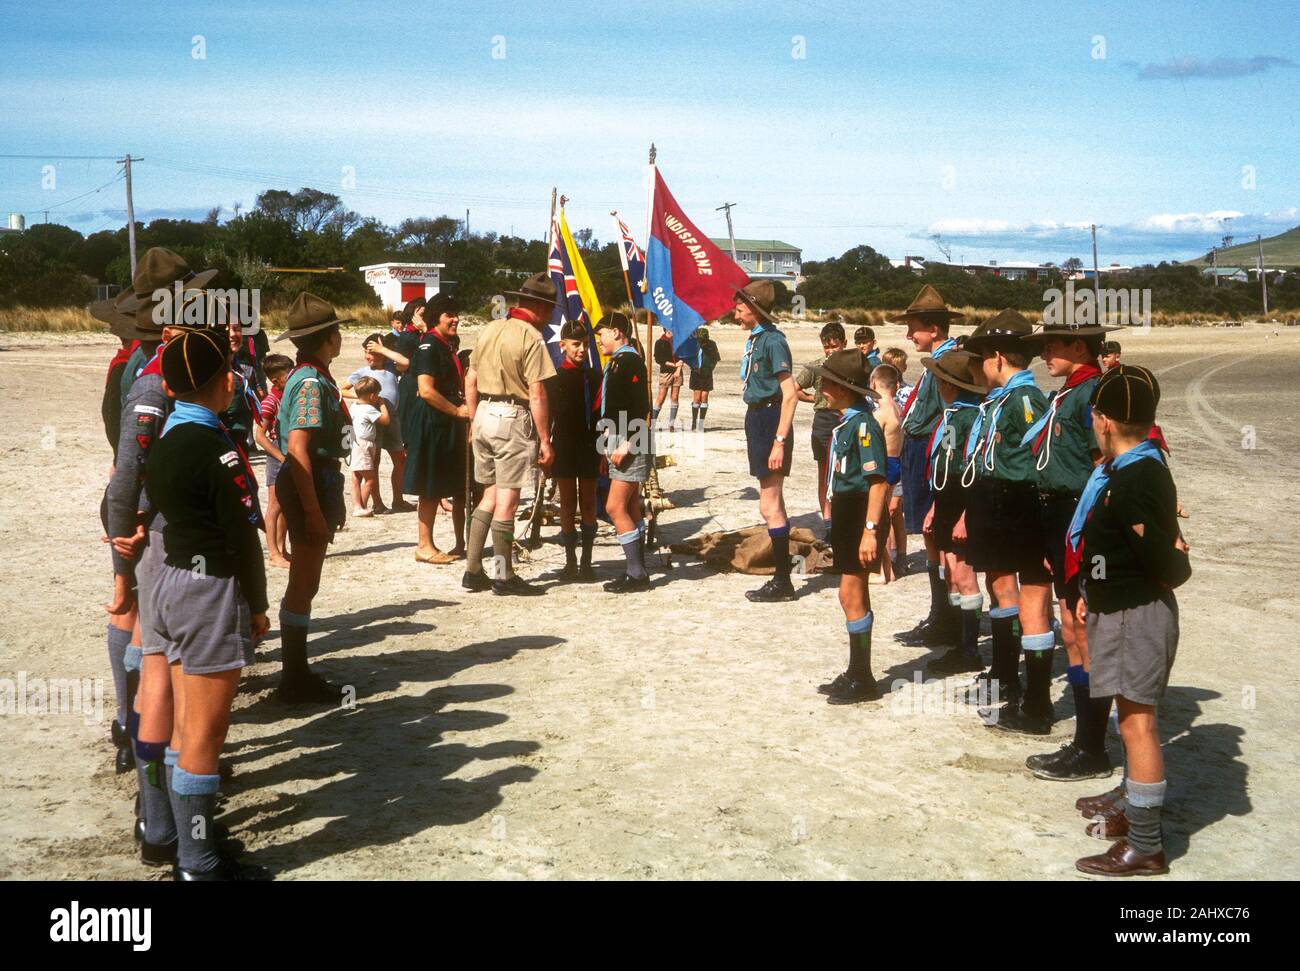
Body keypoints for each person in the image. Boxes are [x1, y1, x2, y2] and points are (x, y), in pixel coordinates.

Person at [144, 327, 269, 881]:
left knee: (180, 730)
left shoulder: (167, 437)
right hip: (209, 586)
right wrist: (259, 603)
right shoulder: (215, 446)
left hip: (169, 581)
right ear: (223, 383)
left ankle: (180, 837)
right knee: (204, 736)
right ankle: (198, 862)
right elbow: (242, 534)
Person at [1071, 365, 1190, 877]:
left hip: (1134, 614)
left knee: (1138, 724)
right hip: (1118, 606)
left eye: (1097, 411)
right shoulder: (1128, 467)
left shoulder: (1137, 476)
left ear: (1105, 421)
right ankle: (1130, 806)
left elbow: (1164, 562)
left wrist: (1175, 561)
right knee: (1128, 715)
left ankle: (1145, 844)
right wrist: (1088, 590)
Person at [1023, 319, 1114, 780]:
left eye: (1052, 345)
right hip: (1058, 516)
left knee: (1083, 628)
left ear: (1080, 346)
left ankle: (1093, 746)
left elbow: (1105, 465)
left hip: (1080, 516)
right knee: (1070, 627)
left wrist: (1086, 535)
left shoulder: (1093, 392)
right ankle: (1084, 740)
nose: (1044, 355)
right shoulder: (1070, 391)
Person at [961, 310, 1054, 731]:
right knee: (1000, 587)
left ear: (997, 357)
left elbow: (1041, 457)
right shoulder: (998, 400)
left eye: (981, 357)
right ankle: (1003, 674)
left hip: (1016, 500)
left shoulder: (1024, 399)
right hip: (992, 497)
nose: (979, 366)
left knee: (1026, 596)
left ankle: (1028, 693)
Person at [273, 292, 353, 703]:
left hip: (318, 480)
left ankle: (296, 671)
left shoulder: (313, 375)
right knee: (303, 581)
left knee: (307, 580)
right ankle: (294, 677)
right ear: (329, 338)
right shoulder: (308, 382)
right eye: (337, 332)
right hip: (309, 480)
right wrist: (312, 510)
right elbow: (299, 449)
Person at [462, 272, 556, 596]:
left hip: (484, 414)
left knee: (487, 495)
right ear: (542, 308)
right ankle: (503, 575)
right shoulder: (532, 337)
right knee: (507, 501)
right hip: (512, 417)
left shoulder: (489, 328)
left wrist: (473, 421)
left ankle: (473, 570)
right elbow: (537, 394)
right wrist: (545, 440)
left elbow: (470, 379)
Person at [809, 350, 889, 704]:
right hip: (847, 510)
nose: (822, 388)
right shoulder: (847, 423)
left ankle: (862, 679)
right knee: (852, 593)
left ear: (844, 388)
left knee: (850, 593)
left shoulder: (864, 425)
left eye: (828, 383)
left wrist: (870, 530)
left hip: (861, 512)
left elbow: (878, 482)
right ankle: (858, 672)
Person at [889, 286, 965, 650]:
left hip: (929, 453)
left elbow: (945, 416)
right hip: (919, 450)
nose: (909, 335)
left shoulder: (947, 363)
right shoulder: (939, 358)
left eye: (914, 328)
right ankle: (940, 613)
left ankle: (946, 617)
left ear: (934, 329)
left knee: (937, 534)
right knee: (931, 536)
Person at [919, 351, 988, 676]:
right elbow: (943, 465)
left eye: (940, 379)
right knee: (950, 570)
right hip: (946, 501)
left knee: (963, 575)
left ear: (950, 385)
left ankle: (970, 649)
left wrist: (965, 516)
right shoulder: (952, 415)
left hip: (963, 502)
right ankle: (960, 640)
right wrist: (935, 506)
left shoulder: (969, 417)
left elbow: (971, 470)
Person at [734, 280, 799, 602]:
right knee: (774, 502)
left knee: (768, 504)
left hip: (771, 420)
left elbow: (790, 396)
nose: (735, 314)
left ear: (754, 308)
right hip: (757, 417)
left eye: (740, 307)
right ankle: (782, 577)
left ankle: (783, 580)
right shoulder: (756, 340)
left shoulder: (773, 342)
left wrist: (779, 441)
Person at [403, 292, 470, 563]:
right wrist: (456, 410)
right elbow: (426, 391)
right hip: (432, 420)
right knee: (429, 484)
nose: (455, 319)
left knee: (440, 481)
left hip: (443, 421)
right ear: (436, 318)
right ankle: (424, 545)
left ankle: (435, 544)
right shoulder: (429, 346)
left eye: (456, 314)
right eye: (448, 315)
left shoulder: (445, 345)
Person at [594, 312, 653, 592]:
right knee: (629, 506)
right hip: (618, 436)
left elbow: (642, 407)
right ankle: (637, 570)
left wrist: (628, 444)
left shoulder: (630, 361)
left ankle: (637, 574)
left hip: (631, 440)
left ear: (617, 332)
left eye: (602, 334)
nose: (599, 341)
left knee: (613, 507)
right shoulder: (618, 362)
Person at [547, 319, 601, 581]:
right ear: (563, 345)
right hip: (564, 448)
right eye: (576, 344)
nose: (581, 349)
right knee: (567, 505)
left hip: (590, 448)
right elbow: (547, 418)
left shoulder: (595, 376)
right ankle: (570, 563)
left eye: (586, 345)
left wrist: (603, 450)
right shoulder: (554, 378)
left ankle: (587, 563)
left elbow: (604, 417)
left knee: (589, 504)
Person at [342, 334, 410, 513]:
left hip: (392, 419)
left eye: (372, 352)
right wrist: (365, 396)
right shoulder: (362, 372)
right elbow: (341, 390)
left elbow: (405, 362)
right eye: (366, 352)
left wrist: (384, 350)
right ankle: (377, 503)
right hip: (372, 423)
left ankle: (398, 500)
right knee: (374, 463)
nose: (368, 356)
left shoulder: (391, 368)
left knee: (400, 459)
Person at [795, 321, 846, 534]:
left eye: (834, 346)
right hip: (824, 420)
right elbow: (794, 388)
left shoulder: (852, 365)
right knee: (824, 472)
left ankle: (845, 519)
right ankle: (828, 523)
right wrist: (814, 398)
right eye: (827, 346)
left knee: (845, 472)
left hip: (846, 420)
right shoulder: (816, 366)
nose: (830, 350)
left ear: (844, 343)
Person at [254, 353, 294, 569]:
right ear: (275, 380)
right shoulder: (271, 401)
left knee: (285, 503)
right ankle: (273, 552)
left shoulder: (289, 396)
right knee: (274, 505)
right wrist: (281, 457)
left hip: (287, 453)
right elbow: (260, 436)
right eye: (288, 376)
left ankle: (282, 548)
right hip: (277, 454)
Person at [868, 363, 907, 579]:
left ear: (874, 382)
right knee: (890, 516)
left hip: (884, 465)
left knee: (879, 517)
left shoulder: (881, 413)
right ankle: (892, 563)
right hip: (896, 463)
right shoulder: (898, 408)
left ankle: (884, 570)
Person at [348, 376, 392, 518]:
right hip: (364, 445)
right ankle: (361, 506)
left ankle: (357, 505)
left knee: (356, 477)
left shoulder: (354, 406)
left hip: (352, 442)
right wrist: (382, 404)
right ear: (373, 396)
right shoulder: (368, 409)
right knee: (370, 478)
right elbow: (385, 420)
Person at [652, 325, 686, 430]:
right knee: (661, 397)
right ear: (665, 329)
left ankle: (671, 424)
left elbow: (683, 357)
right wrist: (674, 365)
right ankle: (652, 423)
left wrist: (678, 369)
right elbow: (659, 359)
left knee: (675, 397)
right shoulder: (660, 342)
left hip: (677, 371)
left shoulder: (678, 341)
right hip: (666, 372)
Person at [688, 325, 721, 431]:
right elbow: (688, 357)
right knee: (697, 398)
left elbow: (716, 358)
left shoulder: (712, 345)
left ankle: (701, 423)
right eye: (700, 340)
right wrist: (694, 367)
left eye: (703, 340)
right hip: (696, 373)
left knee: (704, 397)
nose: (702, 342)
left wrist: (709, 368)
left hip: (707, 373)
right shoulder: (693, 345)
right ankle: (694, 422)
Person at [882, 347, 911, 412]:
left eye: (895, 368)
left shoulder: (910, 392)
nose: (891, 371)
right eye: (887, 367)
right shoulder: (877, 390)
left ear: (905, 368)